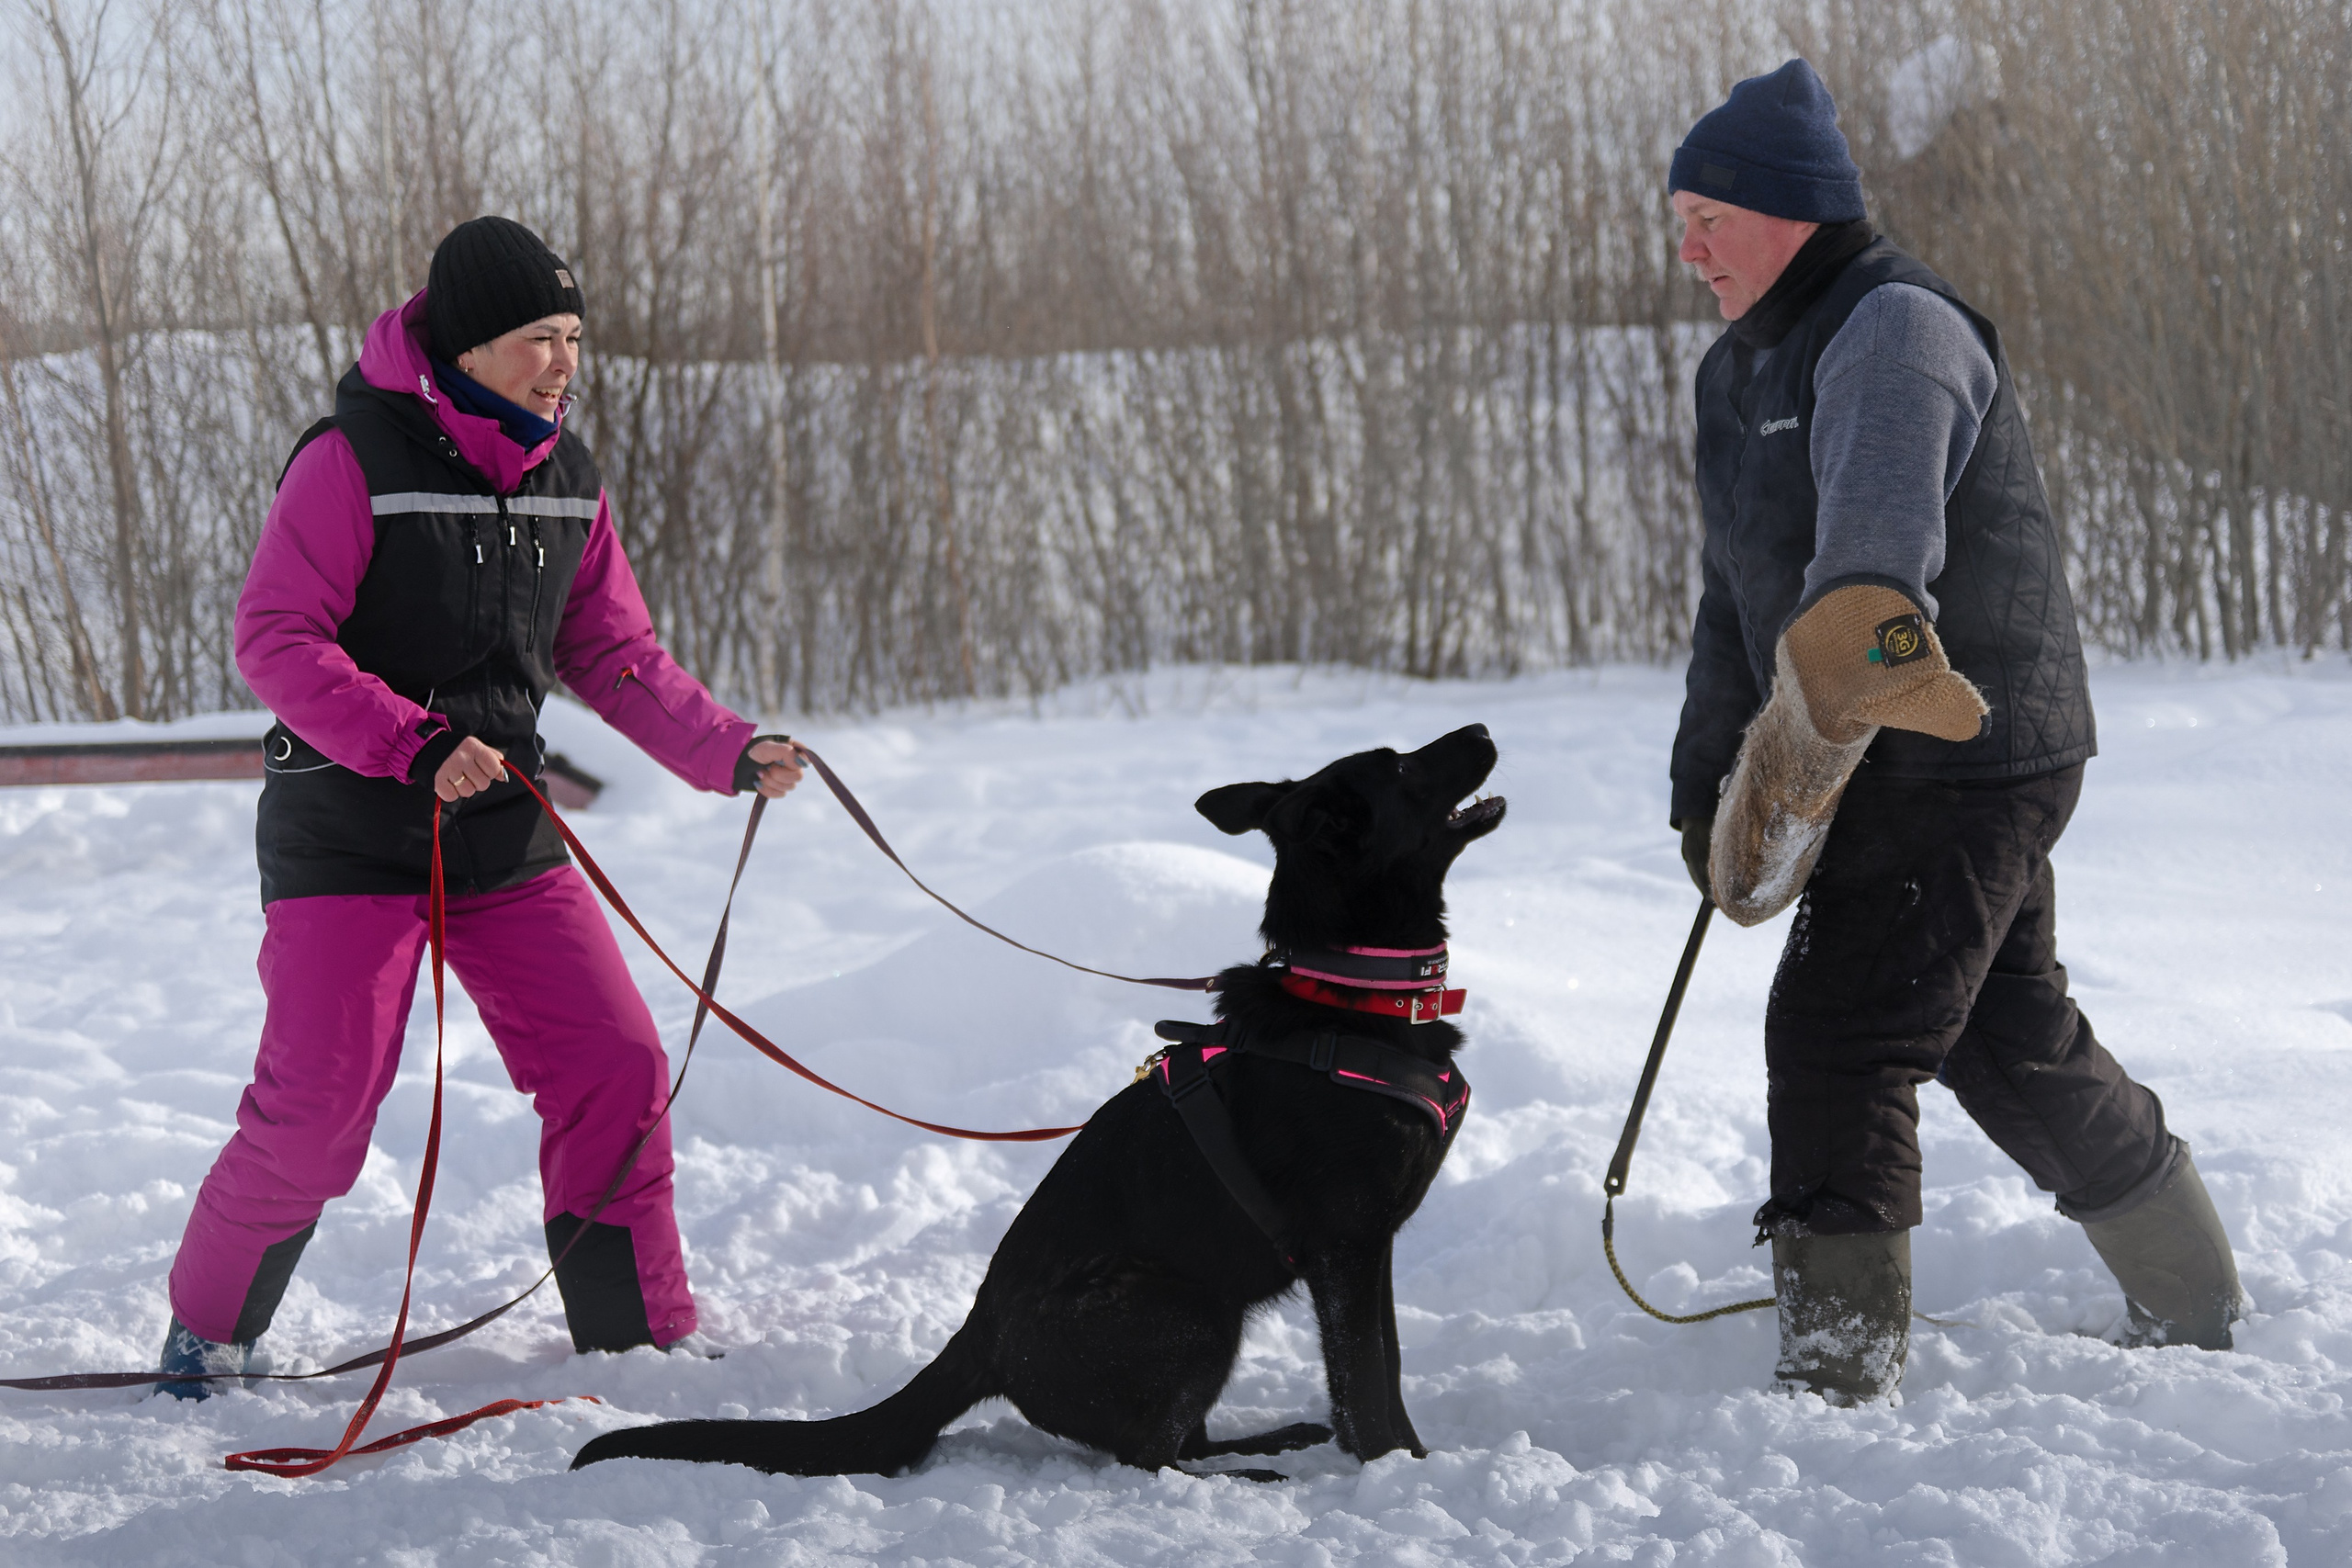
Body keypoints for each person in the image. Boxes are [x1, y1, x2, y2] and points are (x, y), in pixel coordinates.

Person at [1663, 61, 2245, 1403]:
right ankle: (2196, 1300)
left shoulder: (1891, 330)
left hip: (1957, 750)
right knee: (2005, 1032)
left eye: (1709, 218)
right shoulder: (1736, 370)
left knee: (1840, 1034)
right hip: (1890, 753)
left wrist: (1788, 780)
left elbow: (1871, 594)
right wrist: (1706, 785)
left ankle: (1837, 1382)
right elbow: (1730, 600)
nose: (1687, 248)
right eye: (1678, 220)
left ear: (1793, 210)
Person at [156, 216, 807, 1396]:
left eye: (573, 337)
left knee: (615, 1063)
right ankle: (207, 1337)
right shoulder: (352, 458)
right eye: (538, 338)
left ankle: (635, 1334)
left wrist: (725, 748)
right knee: (317, 1111)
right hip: (350, 827)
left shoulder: (566, 476)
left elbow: (613, 654)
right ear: (465, 347)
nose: (564, 363)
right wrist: (407, 740)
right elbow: (276, 636)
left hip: (501, 825)